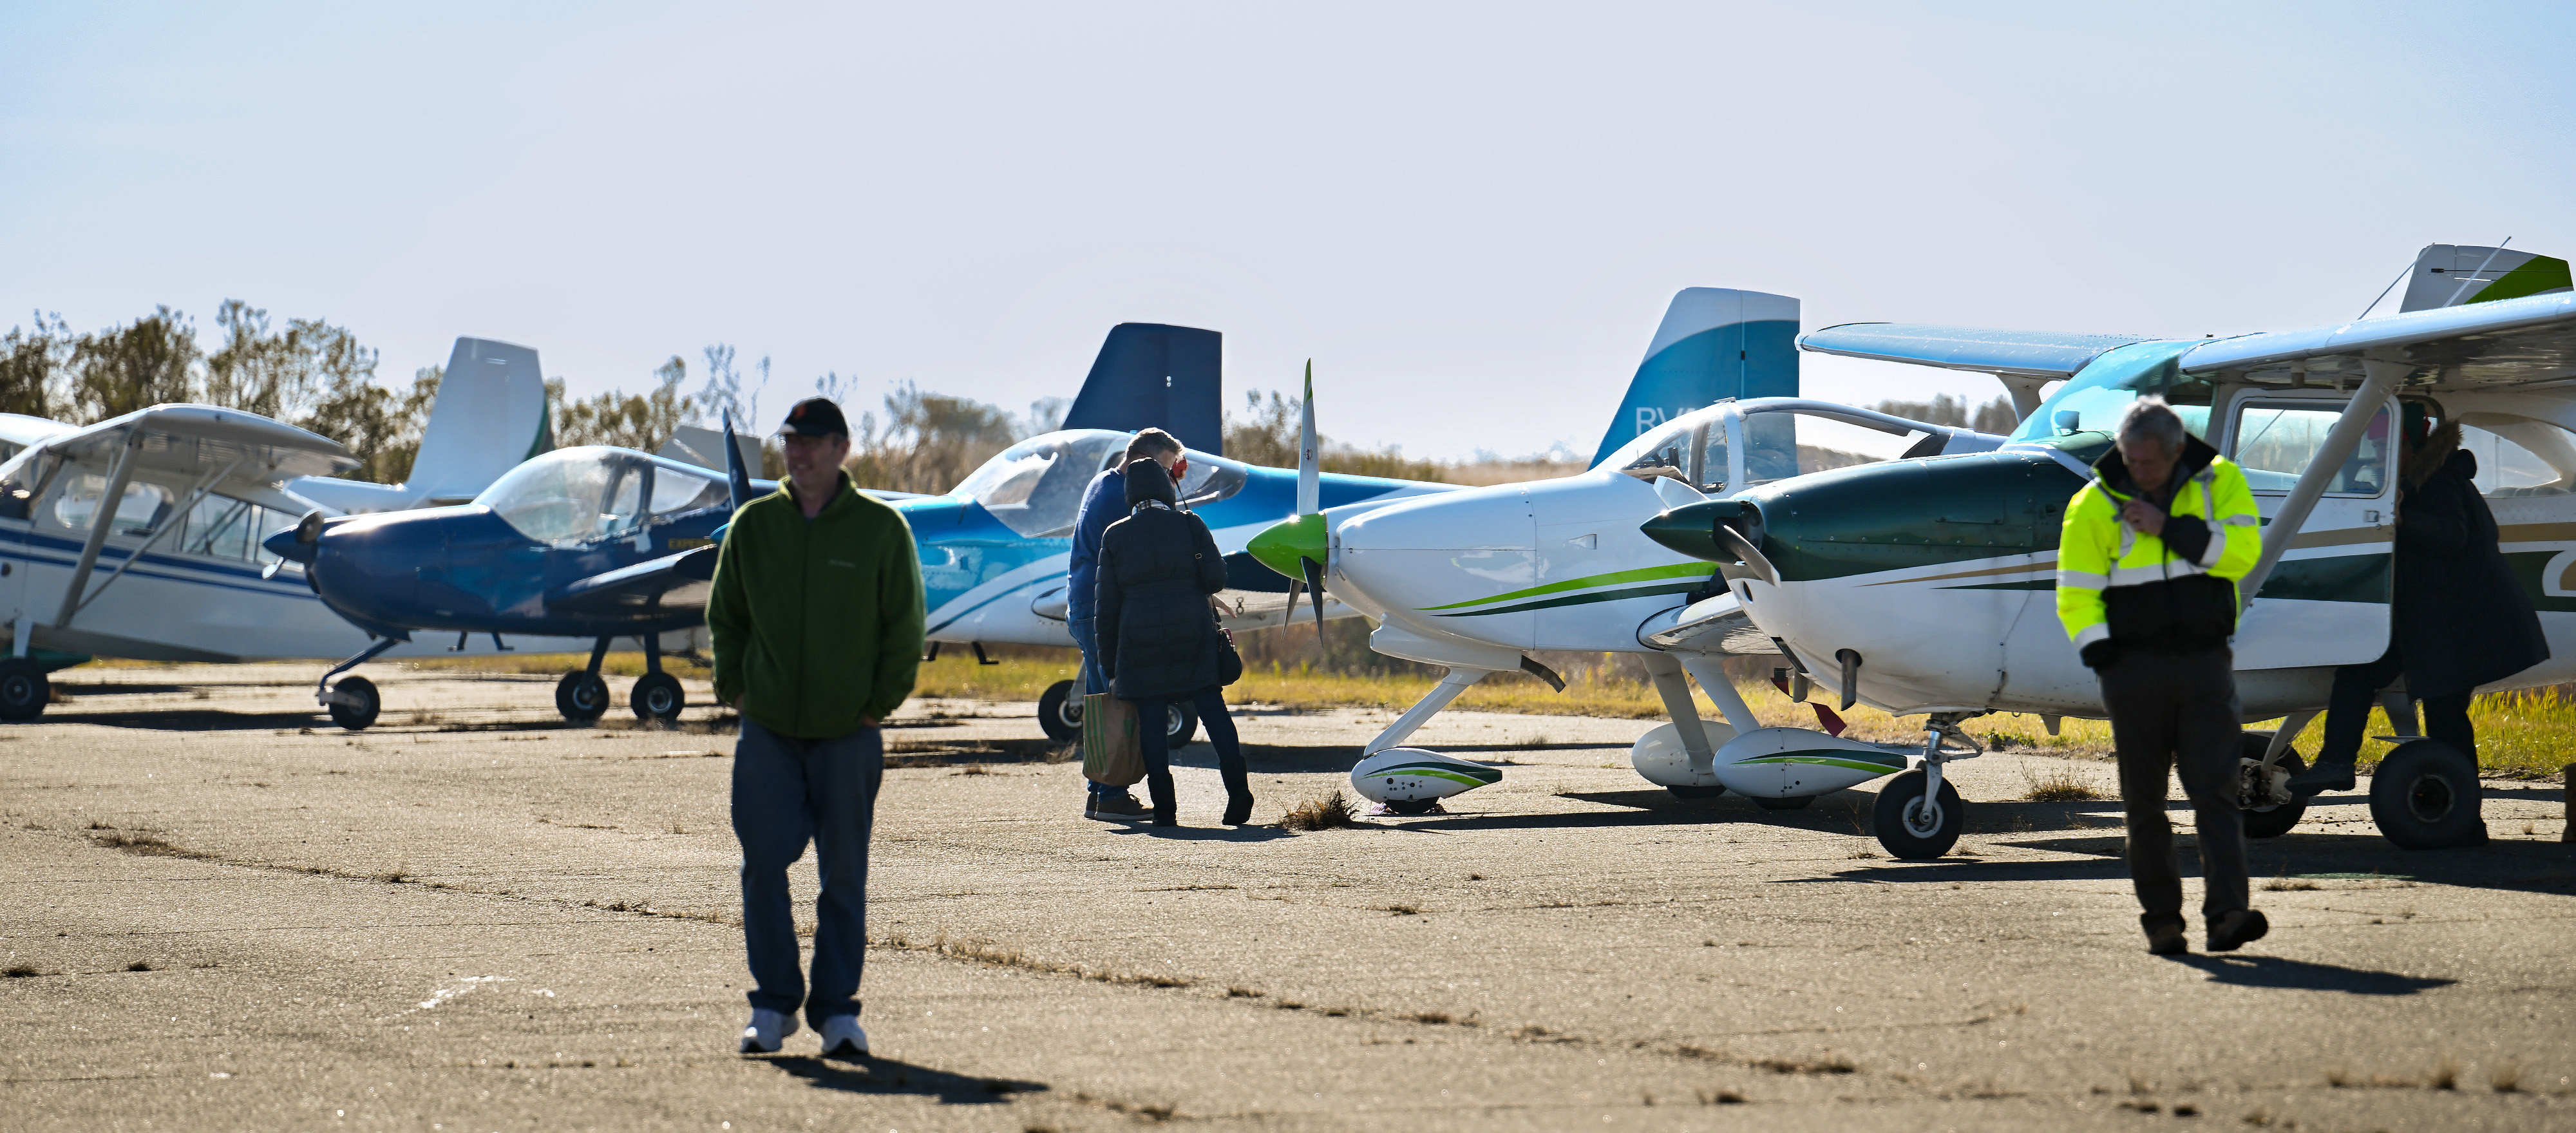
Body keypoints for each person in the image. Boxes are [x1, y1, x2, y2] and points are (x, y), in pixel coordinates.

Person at [708, 397, 925, 1058]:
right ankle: (773, 1006)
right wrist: (736, 690)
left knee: (843, 877)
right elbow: (727, 617)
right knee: (762, 867)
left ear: (841, 449)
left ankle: (837, 1014)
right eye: (790, 442)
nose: (797, 453)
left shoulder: (880, 529)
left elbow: (904, 626)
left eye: (811, 442)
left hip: (847, 734)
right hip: (768, 729)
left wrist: (876, 704)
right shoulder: (754, 526)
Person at [2057, 397, 2267, 956]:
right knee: (2143, 804)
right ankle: (2163, 923)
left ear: (2176, 453)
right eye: (2129, 459)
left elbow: (2244, 554)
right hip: (2132, 671)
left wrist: (2169, 528)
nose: (2136, 470)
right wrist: (2106, 659)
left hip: (2205, 664)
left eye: (2147, 462)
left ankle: (2227, 917)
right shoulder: (2092, 504)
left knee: (2216, 794)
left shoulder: (2220, 481)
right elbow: (2075, 595)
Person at [2287, 408, 2548, 794]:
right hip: (2428, 619)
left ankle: (2461, 815)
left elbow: (2452, 536)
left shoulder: (2440, 481)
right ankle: (2336, 763)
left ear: (2409, 444)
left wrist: (2403, 516)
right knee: (2359, 672)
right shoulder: (2415, 481)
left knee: (2446, 716)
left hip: (2461, 621)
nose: (2380, 454)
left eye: (2387, 446)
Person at [1094, 459, 1253, 826]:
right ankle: (1239, 797)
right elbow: (1215, 579)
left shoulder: (1115, 536)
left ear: (1129, 495)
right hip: (1193, 637)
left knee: (1152, 726)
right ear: (1168, 489)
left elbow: (1107, 610)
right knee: (1215, 715)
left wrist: (1110, 668)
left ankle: (1165, 810)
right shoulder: (1189, 524)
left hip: (1139, 645)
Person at [1068, 428, 1188, 819]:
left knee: (1102, 700)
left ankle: (1099, 790)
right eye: (1167, 469)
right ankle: (1111, 796)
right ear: (1147, 464)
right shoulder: (1123, 498)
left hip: (1084, 602)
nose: (1169, 479)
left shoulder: (1102, 483)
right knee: (1117, 701)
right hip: (1101, 605)